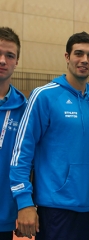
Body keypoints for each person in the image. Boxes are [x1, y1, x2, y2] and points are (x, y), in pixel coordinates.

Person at [10, 32, 89, 240]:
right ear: (67, 57)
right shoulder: (44, 96)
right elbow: (21, 152)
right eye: (78, 53)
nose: (84, 60)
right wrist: (24, 201)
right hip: (55, 209)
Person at [0, 27, 27, 240]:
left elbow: (29, 160)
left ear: (16, 61)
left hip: (4, 214)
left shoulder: (24, 108)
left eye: (10, 56)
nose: (2, 60)